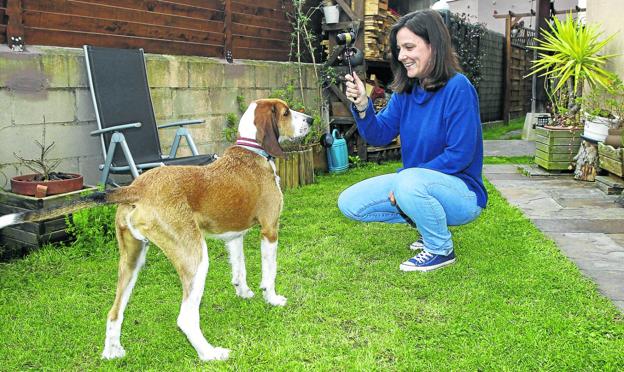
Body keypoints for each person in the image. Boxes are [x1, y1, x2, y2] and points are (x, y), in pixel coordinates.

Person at [337, 9, 487, 272]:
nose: (402, 55)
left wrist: (409, 180)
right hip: (416, 183)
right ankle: (426, 222)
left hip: (462, 194)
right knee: (350, 202)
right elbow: (378, 134)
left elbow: (460, 154)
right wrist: (362, 105)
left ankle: (440, 248)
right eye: (399, 49)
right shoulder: (405, 92)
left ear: (434, 46)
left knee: (407, 181)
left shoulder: (458, 88)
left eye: (409, 47)